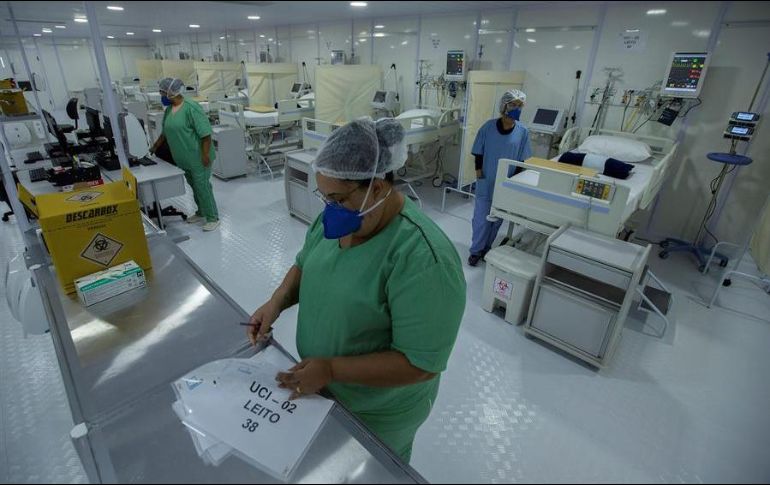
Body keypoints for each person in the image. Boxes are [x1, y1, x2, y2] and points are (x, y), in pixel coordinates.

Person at [247, 118, 466, 462]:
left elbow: (420, 364)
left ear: (377, 188)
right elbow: (307, 264)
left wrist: (333, 369)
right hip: (321, 390)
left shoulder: (422, 259)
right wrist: (275, 303)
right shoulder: (334, 220)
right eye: (325, 196)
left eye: (338, 197)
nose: (328, 208)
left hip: (376, 412)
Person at [468, 89, 532, 266]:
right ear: (504, 106)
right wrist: (479, 173)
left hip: (506, 183)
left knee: (497, 220)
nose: (516, 109)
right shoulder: (488, 127)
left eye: (520, 106)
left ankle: (487, 248)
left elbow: (522, 160)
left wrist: (515, 183)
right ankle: (475, 251)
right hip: (486, 180)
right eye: (513, 105)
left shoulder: (523, 132)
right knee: (481, 219)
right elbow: (478, 152)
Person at [150, 77, 220, 231]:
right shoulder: (169, 110)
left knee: (202, 187)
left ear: (170, 92)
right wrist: (154, 147)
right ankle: (201, 211)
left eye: (162, 92)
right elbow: (166, 132)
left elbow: (206, 134)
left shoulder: (191, 108)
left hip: (198, 157)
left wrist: (205, 155)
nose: (161, 95)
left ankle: (212, 217)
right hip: (182, 158)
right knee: (194, 186)